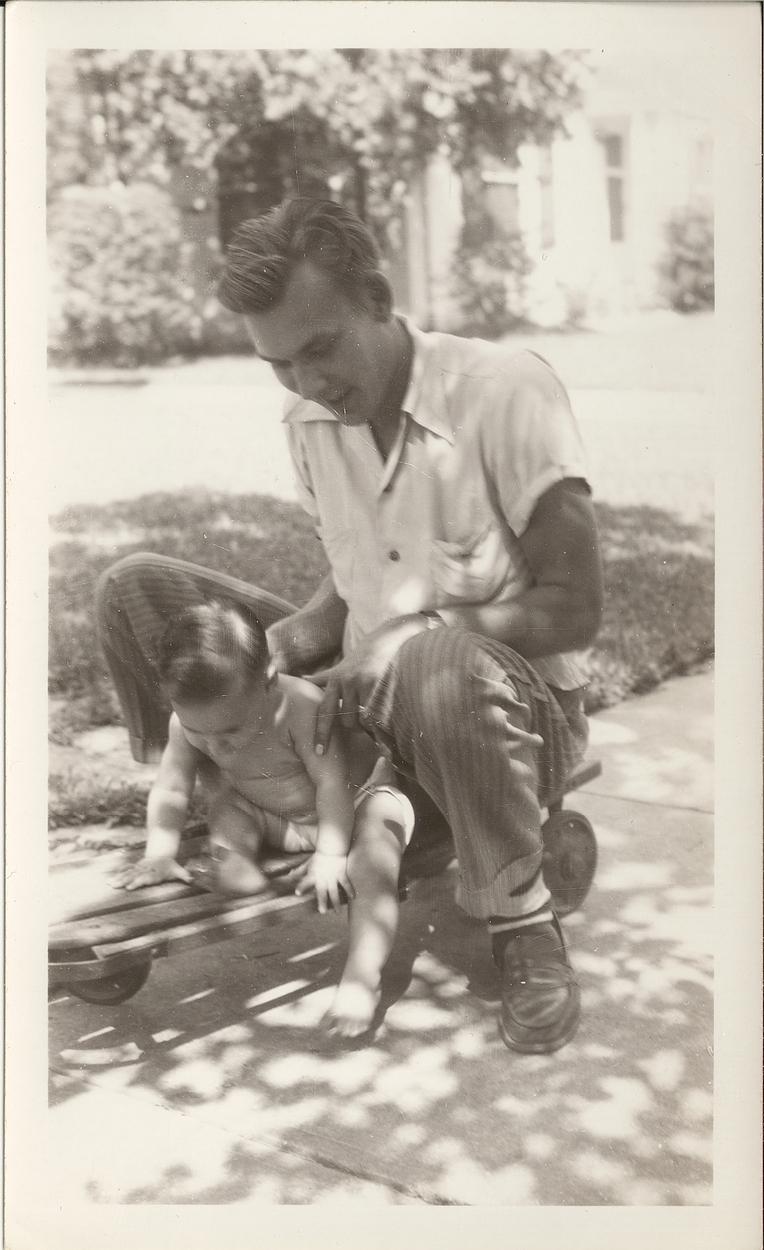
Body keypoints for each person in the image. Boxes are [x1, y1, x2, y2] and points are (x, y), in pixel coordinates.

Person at [97, 196, 603, 1055]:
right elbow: (359, 572)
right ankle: (211, 792)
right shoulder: (308, 419)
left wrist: (411, 634)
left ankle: (523, 924)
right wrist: (286, 644)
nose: (308, 385)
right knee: (134, 587)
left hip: (511, 719)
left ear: (378, 297)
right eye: (279, 364)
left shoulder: (506, 391)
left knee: (434, 660)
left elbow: (576, 606)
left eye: (321, 348)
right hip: (372, 707)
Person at [110, 599, 415, 1038]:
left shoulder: (302, 708)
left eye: (230, 731)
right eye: (200, 733)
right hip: (274, 812)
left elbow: (331, 784)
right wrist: (160, 853)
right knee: (228, 808)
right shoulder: (188, 722)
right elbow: (172, 786)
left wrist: (332, 854)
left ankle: (361, 979)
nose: (217, 747)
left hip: (355, 802)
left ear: (268, 681)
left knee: (374, 859)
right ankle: (236, 864)